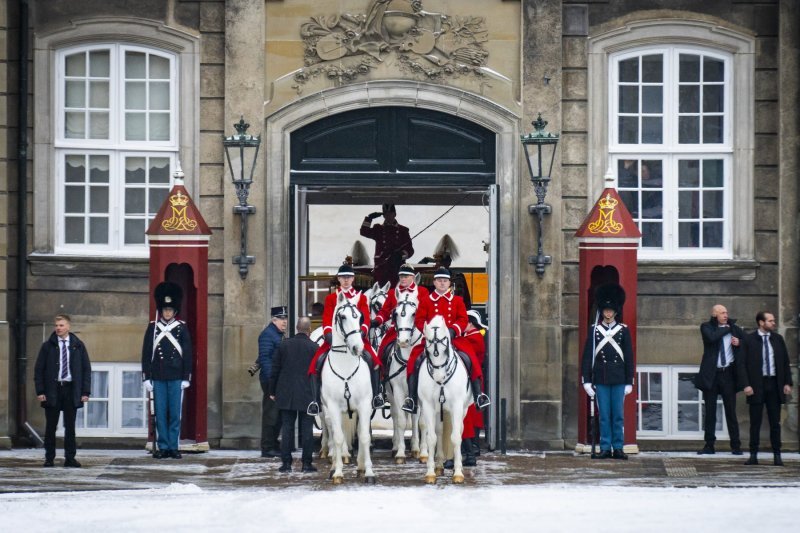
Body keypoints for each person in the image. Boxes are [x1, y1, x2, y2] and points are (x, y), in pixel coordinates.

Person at [402, 267, 489, 414]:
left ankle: (478, 395)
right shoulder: (426, 301)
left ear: (449, 283)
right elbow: (419, 320)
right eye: (439, 281)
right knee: (414, 362)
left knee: (470, 359)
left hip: (454, 340)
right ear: (434, 282)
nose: (442, 283)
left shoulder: (457, 301)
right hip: (431, 341)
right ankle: (411, 398)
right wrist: (430, 332)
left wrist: (453, 330)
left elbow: (463, 319)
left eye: (445, 281)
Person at [306, 264, 384, 416]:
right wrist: (328, 333)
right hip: (336, 340)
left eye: (349, 277)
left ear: (353, 279)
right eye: (343, 277)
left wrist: (362, 332)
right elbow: (327, 317)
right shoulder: (331, 298)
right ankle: (316, 402)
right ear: (339, 279)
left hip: (357, 338)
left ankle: (376, 396)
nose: (346, 280)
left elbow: (366, 318)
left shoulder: (361, 298)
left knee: (375, 362)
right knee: (315, 363)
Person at [581, 283, 634, 460]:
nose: (608, 313)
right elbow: (588, 356)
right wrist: (586, 380)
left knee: (617, 416)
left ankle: (618, 447)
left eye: (611, 311)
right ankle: (605, 447)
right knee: (604, 416)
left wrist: (629, 381)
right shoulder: (594, 330)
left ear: (615, 312)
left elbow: (628, 356)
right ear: (602, 311)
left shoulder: (623, 330)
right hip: (602, 379)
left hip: (618, 378)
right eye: (606, 310)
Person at [141, 282, 193, 459]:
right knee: (161, 414)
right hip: (159, 377)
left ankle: (173, 446)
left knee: (174, 414)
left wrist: (186, 376)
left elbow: (187, 354)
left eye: (170, 310)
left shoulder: (181, 328)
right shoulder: (153, 327)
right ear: (161, 310)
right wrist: (146, 377)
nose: (167, 313)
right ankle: (163, 446)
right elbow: (146, 353)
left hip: (176, 377)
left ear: (175, 311)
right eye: (165, 310)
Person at [34, 314, 92, 468]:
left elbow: (86, 370)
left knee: (70, 427)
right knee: (51, 426)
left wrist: (85, 392)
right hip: (53, 390)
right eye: (56, 325)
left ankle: (70, 458)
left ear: (68, 326)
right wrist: (40, 391)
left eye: (61, 325)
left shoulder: (78, 345)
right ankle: (49, 458)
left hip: (71, 390)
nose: (58, 328)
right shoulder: (47, 346)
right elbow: (39, 370)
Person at [737, 311, 794, 466]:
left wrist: (787, 383)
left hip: (774, 384)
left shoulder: (778, 339)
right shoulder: (749, 339)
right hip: (756, 385)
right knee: (755, 422)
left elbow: (785, 362)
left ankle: (777, 455)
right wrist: (746, 385)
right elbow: (741, 364)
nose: (773, 323)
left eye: (774, 320)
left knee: (775, 422)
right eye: (770, 321)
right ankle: (753, 455)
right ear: (761, 323)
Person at [269, 317, 319, 473]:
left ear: (297, 328)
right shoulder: (314, 347)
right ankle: (306, 463)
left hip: (286, 393)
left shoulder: (284, 345)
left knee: (287, 429)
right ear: (309, 330)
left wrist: (272, 391)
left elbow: (275, 369)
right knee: (307, 430)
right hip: (307, 394)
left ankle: (286, 464)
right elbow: (318, 374)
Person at [695, 304, 744, 455]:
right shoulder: (706, 327)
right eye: (722, 313)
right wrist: (727, 329)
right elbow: (712, 338)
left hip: (727, 374)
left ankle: (736, 445)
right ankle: (709, 445)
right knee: (710, 412)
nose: (725, 315)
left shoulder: (734, 329)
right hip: (712, 375)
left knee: (730, 411)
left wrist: (740, 343)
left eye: (726, 312)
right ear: (714, 314)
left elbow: (748, 343)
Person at [370, 263, 430, 368]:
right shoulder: (393, 292)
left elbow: (427, 311)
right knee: (383, 348)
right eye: (401, 276)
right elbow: (385, 311)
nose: (403, 279)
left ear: (412, 277)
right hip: (396, 329)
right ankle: (382, 375)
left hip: (418, 328)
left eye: (406, 276)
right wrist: (377, 320)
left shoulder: (422, 291)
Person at [257, 305, 288, 458]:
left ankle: (274, 444)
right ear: (274, 320)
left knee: (278, 414)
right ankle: (267, 447)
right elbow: (265, 359)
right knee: (271, 414)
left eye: (285, 318)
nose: (285, 322)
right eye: (281, 319)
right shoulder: (268, 335)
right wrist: (272, 384)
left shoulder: (278, 334)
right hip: (271, 381)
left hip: (279, 380)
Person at [360, 203, 414, 286]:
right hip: (381, 267)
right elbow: (364, 232)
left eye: (390, 214)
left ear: (395, 214)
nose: (388, 216)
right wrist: (369, 218)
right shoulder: (378, 229)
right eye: (386, 214)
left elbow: (410, 250)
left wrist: (400, 255)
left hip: (396, 267)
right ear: (383, 216)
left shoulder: (403, 230)